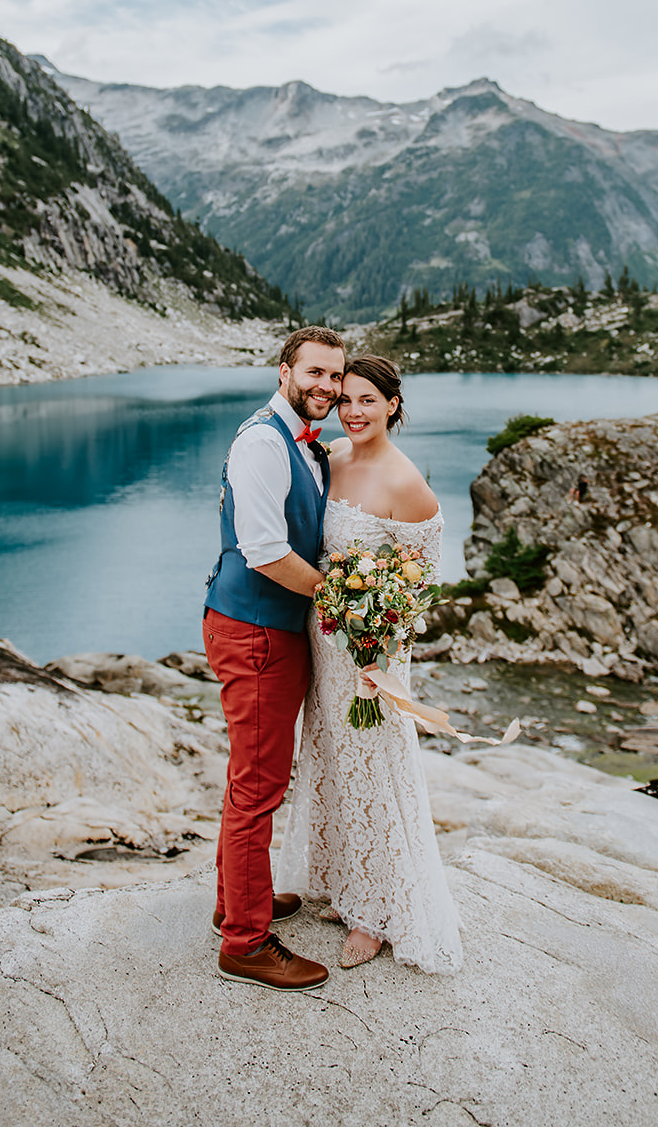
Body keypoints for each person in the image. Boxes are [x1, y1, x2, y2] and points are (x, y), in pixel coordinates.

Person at [276, 354, 463, 974]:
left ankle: (378, 915)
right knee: (330, 755)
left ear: (393, 406)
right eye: (346, 399)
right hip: (322, 641)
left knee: (375, 772)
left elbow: (422, 587)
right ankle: (347, 882)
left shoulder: (407, 483)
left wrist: (376, 642)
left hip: (369, 660)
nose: (353, 411)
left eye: (367, 401)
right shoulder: (331, 456)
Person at [203, 325, 346, 991]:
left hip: (267, 628)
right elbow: (263, 550)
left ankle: (238, 901)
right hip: (256, 630)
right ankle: (246, 942)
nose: (326, 386)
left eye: (335, 376)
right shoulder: (264, 442)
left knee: (252, 779)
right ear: (284, 370)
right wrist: (341, 600)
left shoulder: (301, 441)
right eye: (313, 373)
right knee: (257, 786)